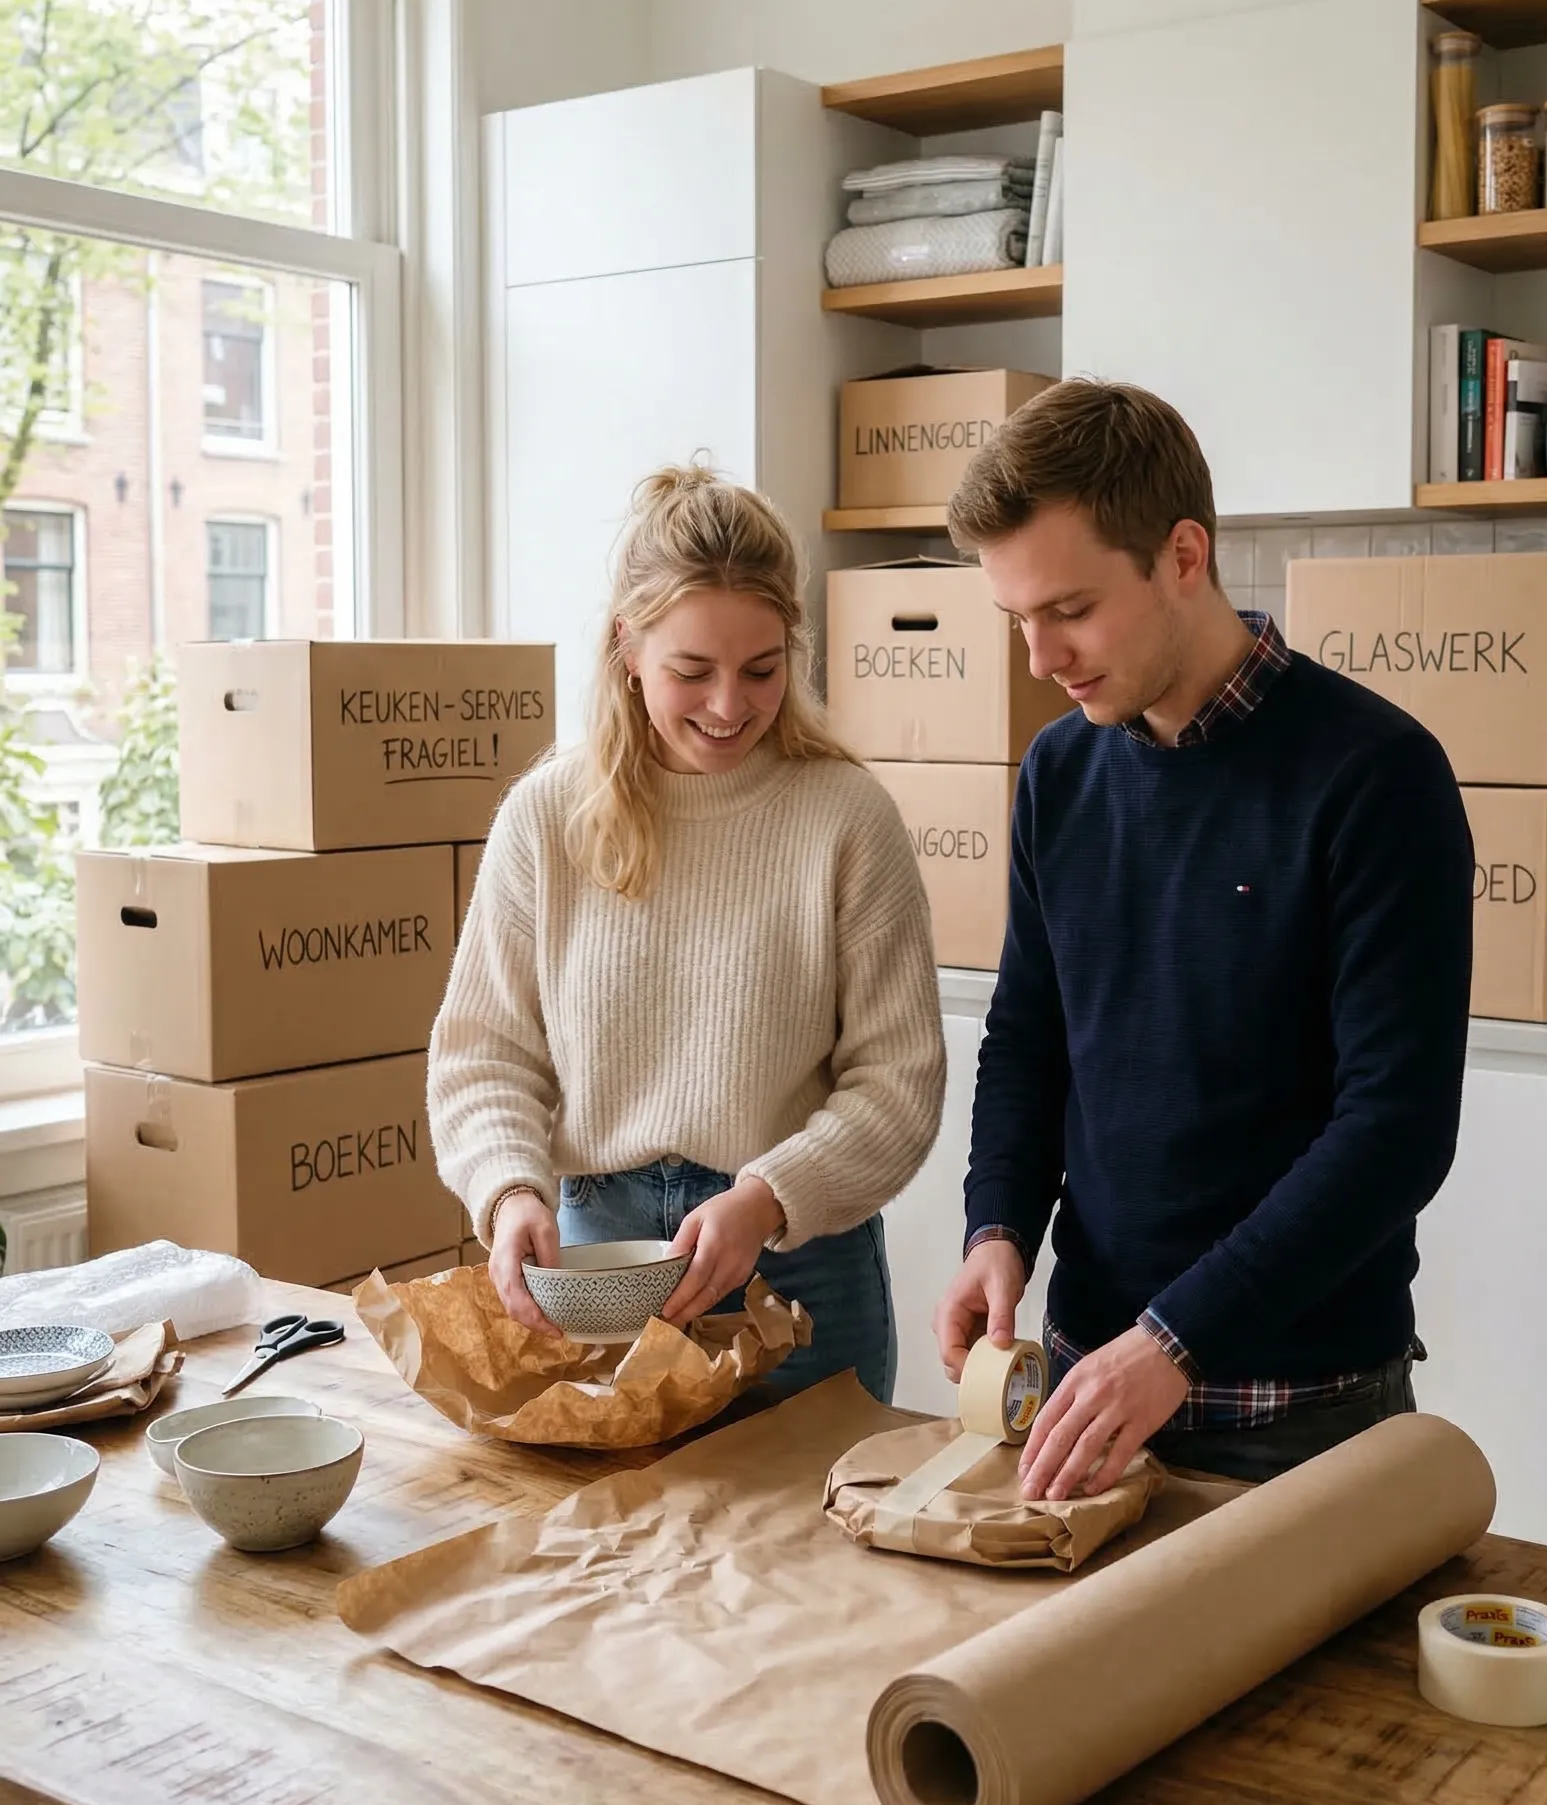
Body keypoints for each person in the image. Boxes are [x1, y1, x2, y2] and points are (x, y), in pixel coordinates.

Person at [931, 380, 1474, 1493]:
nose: (1040, 657)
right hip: (1085, 1387)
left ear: (1183, 554)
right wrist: (997, 1228)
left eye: (1070, 609)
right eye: (1017, 618)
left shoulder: (1376, 776)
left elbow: (1396, 1132)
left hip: (1299, 1417)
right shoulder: (1059, 772)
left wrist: (1175, 1342)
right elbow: (1028, 1038)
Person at [431, 464, 946, 1402]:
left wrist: (768, 1197)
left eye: (762, 670)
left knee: (817, 1506)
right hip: (600, 1256)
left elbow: (899, 1082)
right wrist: (508, 1192)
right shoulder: (546, 818)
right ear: (627, 648)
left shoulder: (846, 819)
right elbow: (484, 1057)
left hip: (799, 1263)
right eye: (692, 671)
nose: (728, 705)